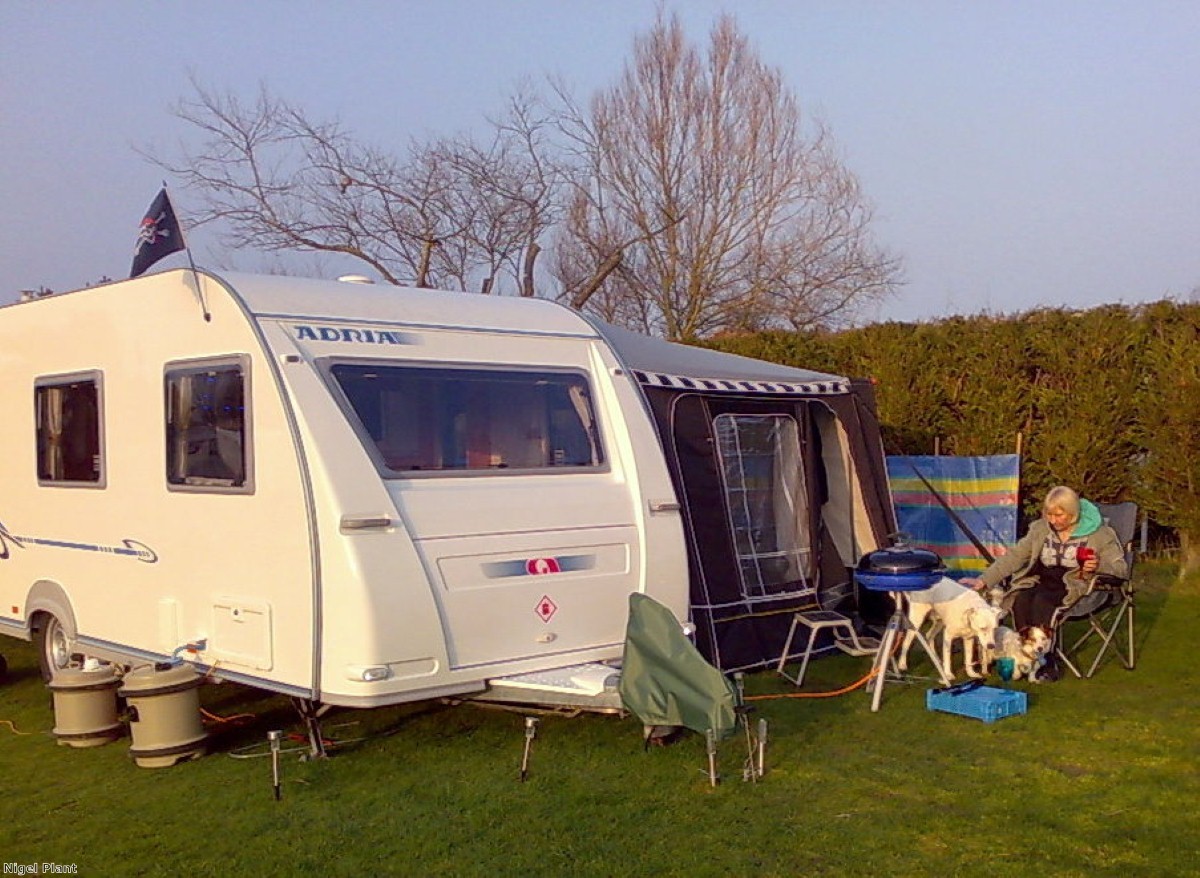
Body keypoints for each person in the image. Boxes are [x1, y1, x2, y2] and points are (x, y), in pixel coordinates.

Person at [963, 486, 1127, 679]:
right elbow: (1015, 557)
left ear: (1073, 513)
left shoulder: (1100, 534)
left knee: (1043, 602)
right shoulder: (1040, 529)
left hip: (1079, 584)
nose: (1053, 520)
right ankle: (1021, 657)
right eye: (1049, 514)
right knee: (1021, 599)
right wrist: (984, 580)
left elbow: (1120, 569)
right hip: (1042, 579)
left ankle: (1046, 663)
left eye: (1059, 515)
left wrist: (1098, 566)